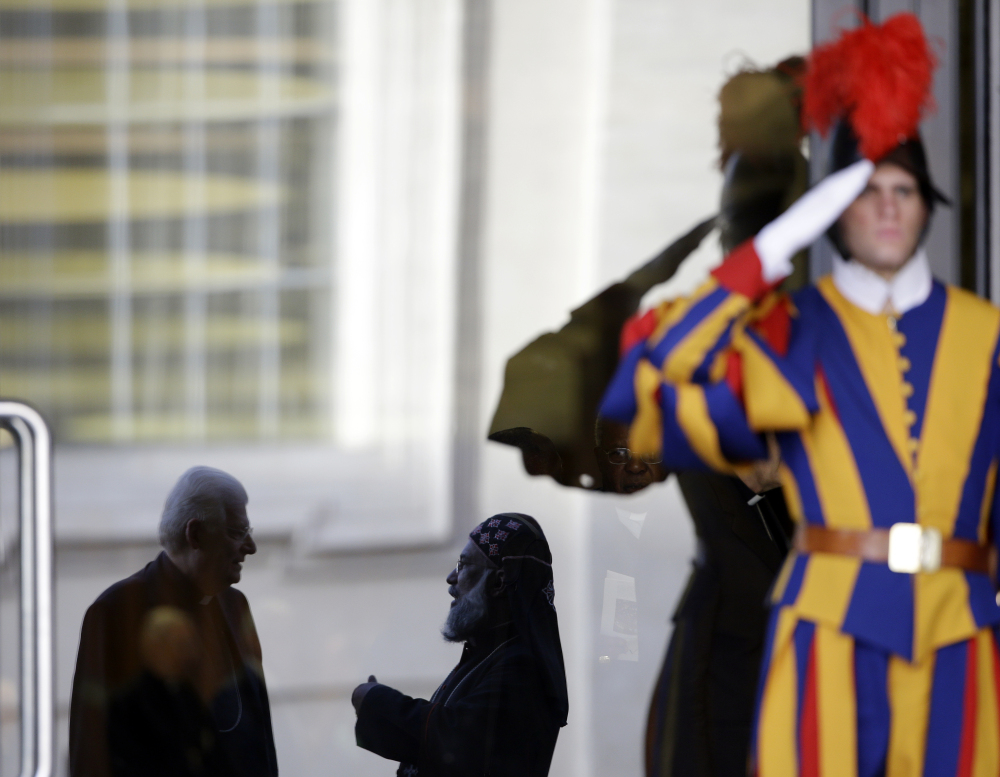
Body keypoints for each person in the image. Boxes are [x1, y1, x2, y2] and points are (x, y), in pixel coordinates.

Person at [601, 14, 1000, 776]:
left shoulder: (936, 333)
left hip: (916, 633)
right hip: (754, 637)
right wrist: (761, 264)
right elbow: (640, 406)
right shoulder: (770, 330)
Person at [69, 466, 278, 777]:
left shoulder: (236, 606)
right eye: (236, 533)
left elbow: (259, 731)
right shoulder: (114, 611)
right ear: (195, 534)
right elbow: (91, 750)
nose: (250, 548)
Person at [352, 514, 568, 777]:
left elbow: (456, 740)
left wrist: (375, 701)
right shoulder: (488, 655)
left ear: (499, 582)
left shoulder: (521, 667)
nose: (451, 578)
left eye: (463, 565)